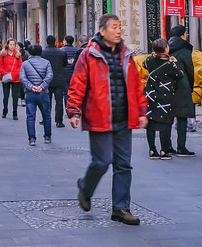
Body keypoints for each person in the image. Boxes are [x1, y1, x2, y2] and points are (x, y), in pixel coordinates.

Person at [68, 14, 147, 226]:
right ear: (102, 31)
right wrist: (74, 111)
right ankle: (86, 187)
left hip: (124, 118)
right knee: (102, 161)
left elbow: (137, 86)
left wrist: (141, 110)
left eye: (120, 27)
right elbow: (78, 83)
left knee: (124, 165)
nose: (118, 30)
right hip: (99, 117)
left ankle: (121, 208)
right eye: (114, 27)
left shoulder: (127, 55)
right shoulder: (89, 55)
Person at [143, 38, 183, 160]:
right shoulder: (170, 64)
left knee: (151, 123)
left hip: (151, 95)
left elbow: (144, 65)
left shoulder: (149, 60)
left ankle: (152, 150)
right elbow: (180, 74)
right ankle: (164, 150)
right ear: (165, 49)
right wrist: (175, 62)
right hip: (165, 97)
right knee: (165, 123)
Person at [166, 25, 197, 157]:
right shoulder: (185, 51)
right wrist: (190, 86)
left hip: (166, 86)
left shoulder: (165, 48)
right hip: (181, 86)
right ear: (183, 35)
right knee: (182, 118)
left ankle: (167, 146)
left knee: (167, 118)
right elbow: (190, 71)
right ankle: (181, 147)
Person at [20, 44, 52, 146]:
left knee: (30, 117)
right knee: (46, 116)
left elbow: (22, 77)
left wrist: (31, 86)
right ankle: (47, 137)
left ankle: (32, 139)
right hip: (43, 93)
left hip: (30, 93)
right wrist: (42, 86)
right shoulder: (46, 63)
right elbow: (50, 75)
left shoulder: (25, 64)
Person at [42, 35, 68, 128]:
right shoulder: (62, 52)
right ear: (55, 41)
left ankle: (46, 119)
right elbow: (65, 64)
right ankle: (59, 121)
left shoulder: (43, 53)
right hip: (59, 79)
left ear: (47, 42)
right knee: (59, 101)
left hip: (47, 80)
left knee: (46, 101)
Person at [0, 38, 23, 120]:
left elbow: (20, 67)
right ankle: (5, 110)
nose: (12, 46)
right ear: (7, 45)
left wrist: (14, 75)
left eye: (13, 45)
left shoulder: (18, 55)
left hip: (16, 78)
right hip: (6, 77)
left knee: (15, 96)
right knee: (6, 95)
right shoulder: (3, 54)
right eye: (10, 44)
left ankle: (15, 112)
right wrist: (4, 73)